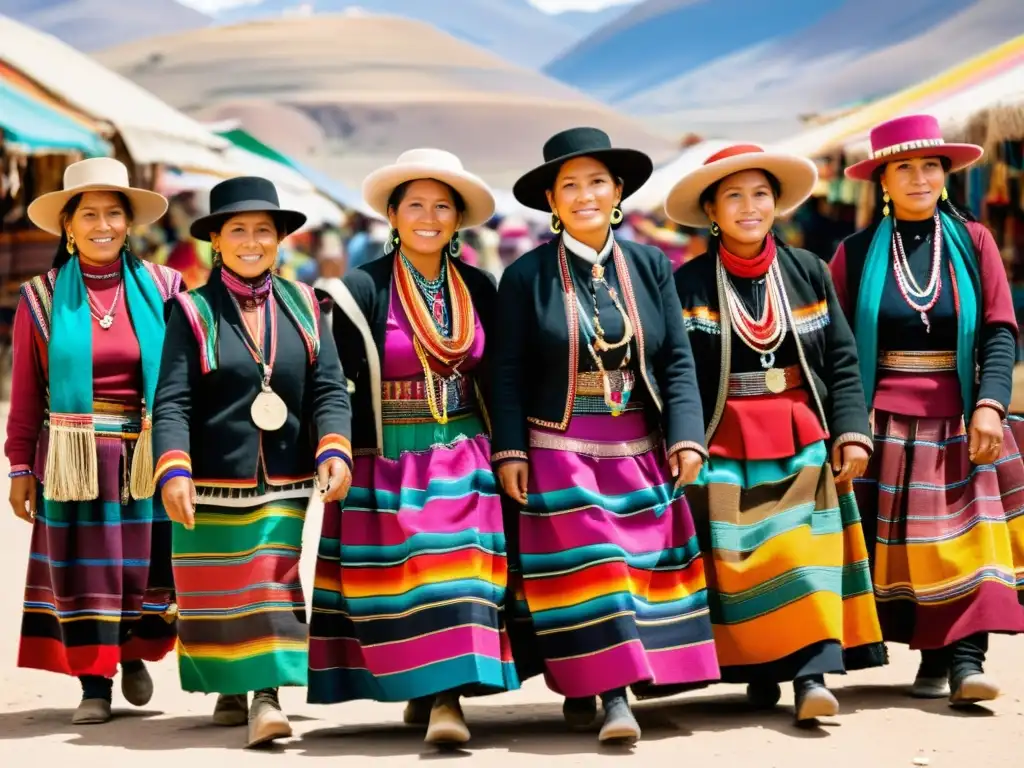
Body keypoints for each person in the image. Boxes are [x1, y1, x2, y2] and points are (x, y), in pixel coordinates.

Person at [491, 127, 720, 745]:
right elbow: (506, 372)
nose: (585, 194)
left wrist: (687, 436)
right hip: (558, 450)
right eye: (569, 185)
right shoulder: (526, 276)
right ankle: (614, 696)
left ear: (618, 191)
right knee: (597, 565)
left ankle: (592, 681)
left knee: (631, 569)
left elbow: (674, 359)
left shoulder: (650, 267)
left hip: (638, 447)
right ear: (551, 199)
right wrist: (510, 451)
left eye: (597, 181)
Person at [664, 143, 885, 724]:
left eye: (760, 193)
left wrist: (852, 431)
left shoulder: (809, 270)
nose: (748, 206)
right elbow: (678, 372)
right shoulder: (685, 284)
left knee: (803, 553)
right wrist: (685, 440)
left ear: (777, 204)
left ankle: (812, 675)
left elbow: (841, 359)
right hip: (724, 438)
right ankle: (760, 670)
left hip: (801, 433)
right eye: (733, 196)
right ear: (711, 209)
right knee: (745, 565)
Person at [308, 149, 518, 747]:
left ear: (457, 220)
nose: (429, 217)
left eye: (443, 207)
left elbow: (498, 376)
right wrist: (336, 449)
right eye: (416, 205)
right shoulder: (359, 290)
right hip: (389, 456)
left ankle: (448, 701)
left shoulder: (479, 287)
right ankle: (423, 687)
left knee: (459, 577)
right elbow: (334, 382)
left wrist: (509, 451)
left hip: (465, 451)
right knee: (408, 581)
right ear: (394, 215)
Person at [151, 176, 353, 748]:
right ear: (216, 239)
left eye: (263, 230)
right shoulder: (191, 311)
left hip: (285, 475)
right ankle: (233, 686)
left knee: (271, 579)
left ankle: (265, 696)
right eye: (237, 229)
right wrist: (173, 466)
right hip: (210, 475)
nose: (251, 240)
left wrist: (333, 445)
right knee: (215, 593)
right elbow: (172, 399)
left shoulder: (308, 306)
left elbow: (329, 390)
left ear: (280, 239)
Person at [829, 115, 1024, 706]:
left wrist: (990, 404)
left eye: (930, 166)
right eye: (904, 167)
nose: (919, 177)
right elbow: (835, 348)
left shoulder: (974, 240)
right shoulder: (855, 254)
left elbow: (999, 328)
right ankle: (932, 655)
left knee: (969, 540)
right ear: (882, 179)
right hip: (882, 420)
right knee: (910, 551)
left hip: (962, 418)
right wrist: (847, 424)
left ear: (945, 175)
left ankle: (966, 661)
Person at [6, 157, 182, 724]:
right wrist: (18, 468)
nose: (102, 225)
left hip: (144, 455)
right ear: (68, 225)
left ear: (130, 223)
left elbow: (183, 380)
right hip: (72, 459)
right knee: (84, 571)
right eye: (89, 214)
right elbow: (28, 392)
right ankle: (92, 685)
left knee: (143, 568)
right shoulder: (41, 297)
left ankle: (131, 654)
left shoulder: (165, 288)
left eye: (113, 213)